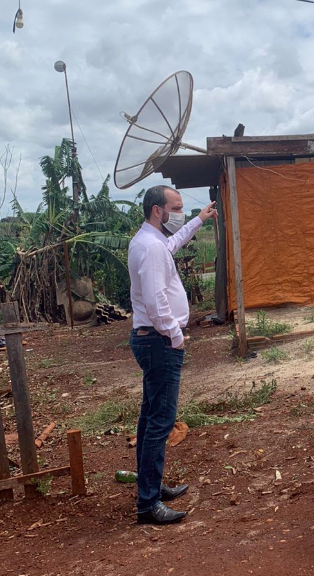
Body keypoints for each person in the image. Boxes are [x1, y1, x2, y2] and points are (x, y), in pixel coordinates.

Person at [128, 185, 218, 525]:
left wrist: (197, 220)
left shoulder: (150, 241)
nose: (179, 211)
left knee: (150, 418)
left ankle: (151, 488)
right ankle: (148, 503)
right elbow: (154, 301)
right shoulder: (150, 248)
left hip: (152, 339)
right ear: (157, 210)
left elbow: (172, 244)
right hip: (159, 341)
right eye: (176, 207)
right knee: (160, 422)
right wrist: (175, 335)